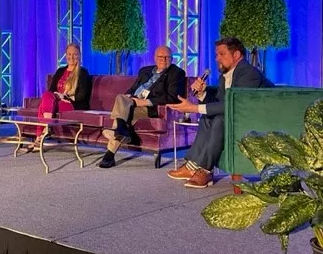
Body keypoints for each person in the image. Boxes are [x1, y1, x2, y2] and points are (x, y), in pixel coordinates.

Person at [167, 37, 274, 188]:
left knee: (220, 121)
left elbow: (233, 104)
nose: (217, 58)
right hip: (239, 117)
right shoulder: (225, 76)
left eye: (221, 54)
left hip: (260, 120)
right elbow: (220, 102)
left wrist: (193, 108)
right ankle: (193, 166)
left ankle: (204, 170)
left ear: (236, 55)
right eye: (217, 55)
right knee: (208, 117)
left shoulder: (248, 73)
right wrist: (202, 95)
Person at [98, 45, 186, 168]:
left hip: (150, 107)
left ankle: (113, 146)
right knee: (122, 99)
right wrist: (129, 96)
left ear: (172, 59)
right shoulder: (144, 71)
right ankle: (118, 135)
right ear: (155, 58)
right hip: (133, 102)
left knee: (123, 108)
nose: (164, 60)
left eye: (167, 57)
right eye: (161, 57)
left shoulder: (177, 73)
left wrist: (145, 102)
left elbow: (172, 97)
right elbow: (133, 88)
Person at [28, 43, 91, 152]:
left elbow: (82, 95)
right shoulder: (60, 71)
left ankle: (40, 136)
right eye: (69, 54)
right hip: (56, 100)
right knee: (46, 95)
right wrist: (57, 96)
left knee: (43, 106)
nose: (71, 57)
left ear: (79, 55)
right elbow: (51, 90)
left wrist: (65, 97)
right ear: (66, 55)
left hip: (72, 103)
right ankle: (46, 130)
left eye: (75, 54)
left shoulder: (83, 72)